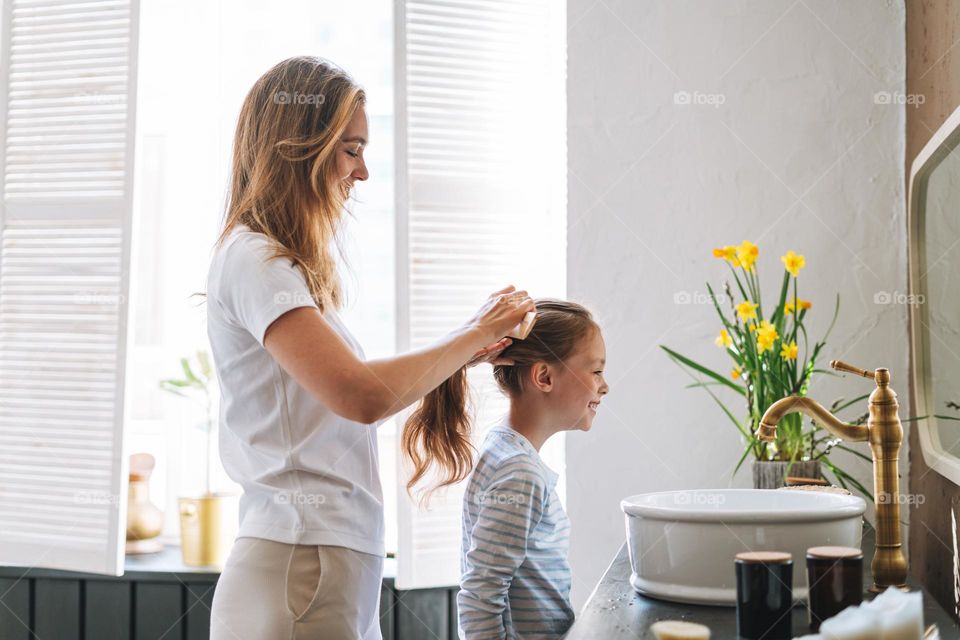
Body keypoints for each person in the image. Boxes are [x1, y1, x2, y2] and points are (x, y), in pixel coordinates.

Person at [206, 55, 534, 640]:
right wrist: (476, 333)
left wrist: (466, 345)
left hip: (315, 564)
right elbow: (357, 394)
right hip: (299, 564)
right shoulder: (256, 260)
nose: (363, 173)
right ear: (298, 147)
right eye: (351, 149)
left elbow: (359, 385)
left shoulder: (281, 268)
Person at [402, 299, 609, 639]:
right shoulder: (519, 472)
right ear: (543, 376)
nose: (604, 385)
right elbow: (480, 596)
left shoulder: (504, 450)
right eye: (596, 370)